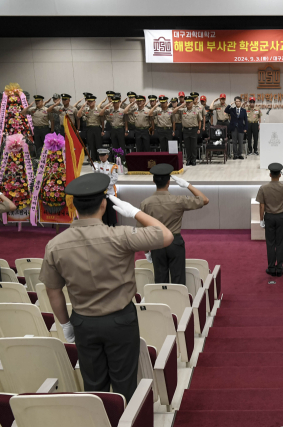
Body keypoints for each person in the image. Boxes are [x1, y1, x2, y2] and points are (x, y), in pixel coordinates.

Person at [39, 173, 173, 403]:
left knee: (94, 385)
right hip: (120, 320)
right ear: (104, 204)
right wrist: (134, 212)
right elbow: (166, 235)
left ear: (74, 206)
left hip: (83, 322)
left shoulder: (55, 245)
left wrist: (65, 324)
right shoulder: (120, 236)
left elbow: (53, 291)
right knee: (125, 383)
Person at [139, 164, 208, 284]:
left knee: (160, 282)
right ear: (169, 182)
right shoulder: (178, 200)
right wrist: (187, 185)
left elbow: (141, 231)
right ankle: (179, 302)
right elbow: (204, 200)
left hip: (157, 243)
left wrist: (146, 251)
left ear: (154, 181)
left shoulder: (145, 203)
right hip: (175, 243)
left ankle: (162, 302)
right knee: (178, 280)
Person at [92, 148, 119, 226]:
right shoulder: (96, 164)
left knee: (111, 209)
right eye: (100, 156)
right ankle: (103, 224)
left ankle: (112, 224)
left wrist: (105, 186)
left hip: (110, 191)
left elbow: (114, 179)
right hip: (100, 191)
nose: (102, 157)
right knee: (102, 209)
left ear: (107, 156)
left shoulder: (112, 166)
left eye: (103, 156)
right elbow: (96, 173)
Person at [175, 96, 203, 166]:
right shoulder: (183, 110)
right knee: (187, 146)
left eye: (189, 102)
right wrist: (182, 105)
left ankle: (193, 160)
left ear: (192, 102)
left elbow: (200, 120)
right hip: (185, 130)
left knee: (193, 146)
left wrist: (199, 129)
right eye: (187, 102)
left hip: (194, 130)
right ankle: (188, 159)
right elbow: (174, 111)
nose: (188, 103)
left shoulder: (196, 110)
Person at [77, 94, 103, 160]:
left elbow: (102, 121)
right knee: (91, 145)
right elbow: (78, 115)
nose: (90, 103)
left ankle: (99, 159)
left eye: (92, 101)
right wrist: (82, 106)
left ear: (95, 102)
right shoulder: (85, 109)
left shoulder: (99, 109)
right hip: (89, 129)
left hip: (97, 128)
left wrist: (102, 130)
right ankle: (93, 160)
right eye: (89, 101)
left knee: (98, 145)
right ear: (87, 102)